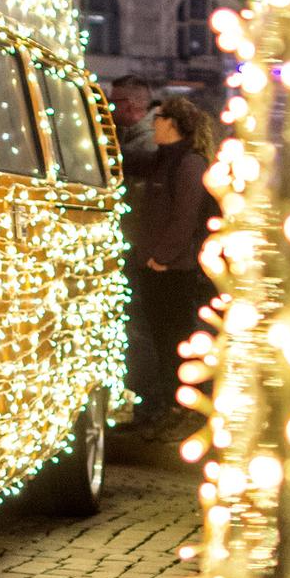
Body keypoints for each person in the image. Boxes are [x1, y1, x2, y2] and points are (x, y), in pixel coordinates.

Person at [126, 95, 221, 436]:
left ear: (175, 123)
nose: (153, 121)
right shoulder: (164, 160)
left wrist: (161, 257)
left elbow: (184, 218)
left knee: (174, 339)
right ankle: (168, 407)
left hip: (173, 269)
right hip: (155, 265)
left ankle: (183, 410)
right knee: (161, 339)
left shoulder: (189, 164)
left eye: (160, 116)